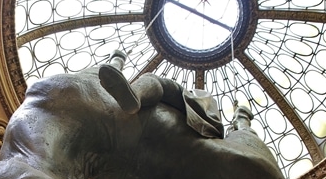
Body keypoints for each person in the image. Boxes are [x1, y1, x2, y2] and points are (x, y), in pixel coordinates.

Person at [98, 50, 252, 138]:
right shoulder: (231, 129)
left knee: (152, 78)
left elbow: (196, 101)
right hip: (206, 124)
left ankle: (133, 96)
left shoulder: (201, 96)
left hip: (197, 116)